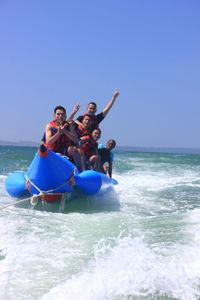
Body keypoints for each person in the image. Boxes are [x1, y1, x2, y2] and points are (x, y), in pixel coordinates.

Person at [44, 105, 83, 171]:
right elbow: (48, 142)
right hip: (52, 152)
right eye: (58, 114)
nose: (60, 116)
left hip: (64, 151)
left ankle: (79, 172)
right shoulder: (49, 126)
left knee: (73, 149)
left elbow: (75, 140)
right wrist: (58, 133)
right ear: (54, 115)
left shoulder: (68, 125)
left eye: (62, 115)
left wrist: (64, 131)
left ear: (65, 116)